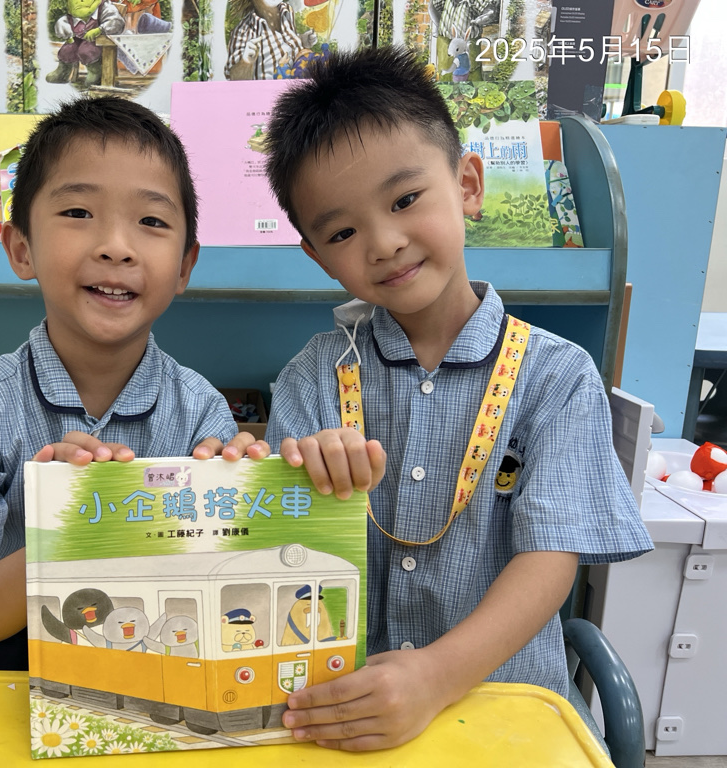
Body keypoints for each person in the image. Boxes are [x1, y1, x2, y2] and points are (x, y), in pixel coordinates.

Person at [260, 46, 654, 751]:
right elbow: (278, 551)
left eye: (405, 200)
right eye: (343, 232)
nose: (385, 243)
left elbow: (551, 560)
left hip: (509, 708)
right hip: (348, 713)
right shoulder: (313, 378)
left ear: (468, 184)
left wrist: (437, 677)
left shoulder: (557, 376)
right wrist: (303, 481)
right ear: (318, 256)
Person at [0, 96, 265, 670]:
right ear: (21, 249)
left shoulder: (201, 413)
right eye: (78, 212)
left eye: (152, 221)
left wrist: (247, 502)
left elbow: (215, 591)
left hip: (152, 673)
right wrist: (70, 533)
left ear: (184, 266)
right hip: (10, 685)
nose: (116, 247)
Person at [224, 0, 316, 80]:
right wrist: (246, 62)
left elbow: (284, 42)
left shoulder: (286, 10)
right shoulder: (243, 31)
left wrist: (302, 40)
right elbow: (233, 80)